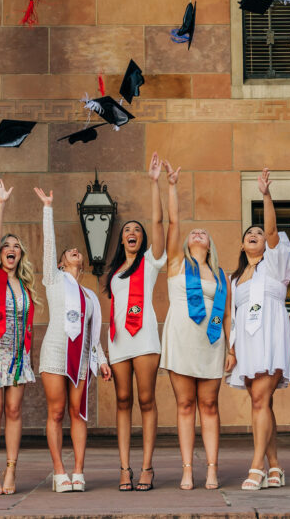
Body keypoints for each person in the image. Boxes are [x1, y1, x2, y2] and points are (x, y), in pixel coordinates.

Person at [35, 186, 113, 492]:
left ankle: (79, 471)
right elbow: (49, 246)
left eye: (76, 252)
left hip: (80, 357)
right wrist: (48, 208)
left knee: (77, 411)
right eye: (69, 252)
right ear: (60, 263)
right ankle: (59, 472)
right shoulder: (54, 281)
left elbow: (95, 334)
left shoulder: (91, 296)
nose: (74, 252)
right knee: (56, 411)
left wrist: (103, 361)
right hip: (55, 353)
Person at [159, 160, 230, 490]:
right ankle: (188, 469)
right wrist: (171, 186)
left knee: (210, 406)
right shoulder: (176, 264)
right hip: (182, 339)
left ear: (210, 243)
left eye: (203, 232)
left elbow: (223, 314)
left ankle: (212, 469)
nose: (196, 232)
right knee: (185, 405)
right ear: (187, 243)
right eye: (193, 232)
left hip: (211, 342)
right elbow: (174, 223)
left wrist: (229, 347)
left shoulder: (219, 276)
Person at [226, 168, 290, 491]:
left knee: (259, 401)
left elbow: (271, 230)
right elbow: (232, 318)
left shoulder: (275, 263)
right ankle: (276, 467)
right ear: (242, 246)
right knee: (261, 403)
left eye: (258, 233)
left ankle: (256, 468)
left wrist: (265, 195)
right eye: (248, 234)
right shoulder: (234, 279)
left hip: (271, 337)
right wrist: (231, 350)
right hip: (247, 345)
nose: (255, 235)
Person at [104, 152, 167, 491]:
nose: (132, 232)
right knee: (123, 400)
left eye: (136, 230)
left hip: (144, 339)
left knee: (146, 400)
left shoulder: (151, 263)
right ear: (121, 239)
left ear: (142, 240)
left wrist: (154, 183)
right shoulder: (114, 271)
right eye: (127, 230)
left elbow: (158, 225)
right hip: (119, 342)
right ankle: (125, 468)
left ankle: (147, 467)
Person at [0, 178, 37, 495]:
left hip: (17, 357)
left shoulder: (24, 287)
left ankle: (12, 469)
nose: (10, 249)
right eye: (6, 247)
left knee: (14, 412)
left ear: (20, 255)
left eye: (16, 246)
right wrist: (1, 204)